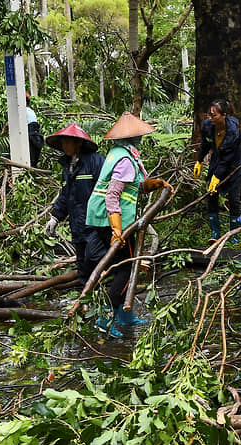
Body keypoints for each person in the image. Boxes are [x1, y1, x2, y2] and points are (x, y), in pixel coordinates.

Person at [84, 112, 171, 338]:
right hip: (113, 220)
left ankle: (123, 315)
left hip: (104, 218)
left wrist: (154, 184)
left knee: (124, 266)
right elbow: (112, 196)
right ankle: (107, 318)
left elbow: (133, 187)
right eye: (139, 136)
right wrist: (117, 229)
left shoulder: (118, 154)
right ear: (132, 139)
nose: (142, 139)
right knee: (127, 269)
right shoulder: (125, 160)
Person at [44, 122, 105, 283]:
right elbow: (65, 194)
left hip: (95, 225)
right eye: (62, 142)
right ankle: (86, 301)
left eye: (67, 141)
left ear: (78, 143)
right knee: (82, 266)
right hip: (77, 226)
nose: (64, 145)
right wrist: (55, 218)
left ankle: (107, 292)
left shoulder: (95, 162)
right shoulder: (68, 166)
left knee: (94, 258)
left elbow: (107, 191)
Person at [194, 98, 241, 242]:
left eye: (213, 115)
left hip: (235, 166)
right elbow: (205, 143)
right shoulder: (207, 126)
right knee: (212, 194)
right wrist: (199, 160)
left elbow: (227, 158)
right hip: (218, 162)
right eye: (208, 114)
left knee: (234, 199)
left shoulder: (233, 132)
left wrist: (217, 176)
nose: (210, 118)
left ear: (224, 115)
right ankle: (215, 233)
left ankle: (234, 234)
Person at [26, 95, 44, 168]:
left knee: (30, 158)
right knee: (33, 160)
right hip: (36, 135)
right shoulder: (30, 110)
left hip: (31, 134)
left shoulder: (22, 111)